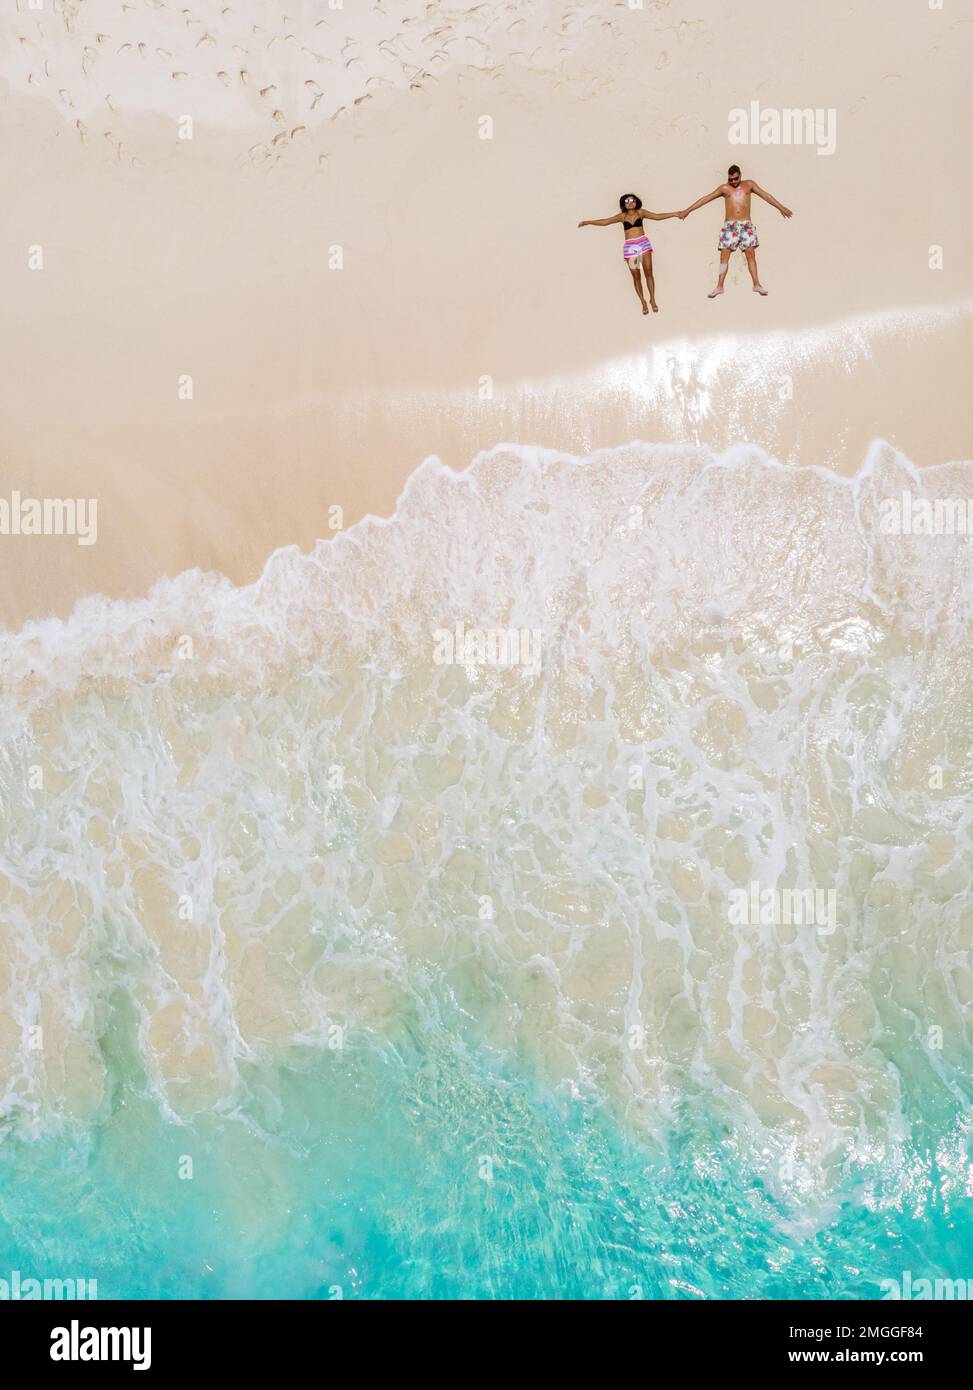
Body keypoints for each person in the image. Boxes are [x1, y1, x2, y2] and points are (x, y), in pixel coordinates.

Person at [679, 165, 792, 297]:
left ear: (740, 175)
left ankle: (756, 284)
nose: (733, 182)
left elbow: (766, 196)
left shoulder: (749, 185)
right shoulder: (724, 188)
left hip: (746, 225)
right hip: (730, 226)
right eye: (730, 179)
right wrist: (688, 210)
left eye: (735, 178)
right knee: (724, 257)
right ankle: (719, 286)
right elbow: (705, 199)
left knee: (750, 255)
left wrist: (781, 207)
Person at [578, 193, 681, 314]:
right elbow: (606, 221)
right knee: (636, 276)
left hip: (643, 244)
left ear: (636, 202)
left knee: (649, 272)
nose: (630, 203)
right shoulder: (622, 216)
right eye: (627, 202)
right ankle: (643, 302)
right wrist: (588, 222)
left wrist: (675, 213)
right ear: (623, 205)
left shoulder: (641, 213)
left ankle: (652, 299)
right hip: (631, 248)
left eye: (632, 200)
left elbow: (657, 216)